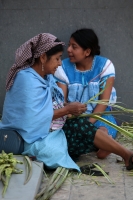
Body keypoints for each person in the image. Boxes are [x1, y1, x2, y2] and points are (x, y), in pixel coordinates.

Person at [0, 32, 133, 172]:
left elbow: (50, 105)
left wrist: (68, 107)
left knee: (81, 127)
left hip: (49, 130)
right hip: (28, 137)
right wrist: (68, 110)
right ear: (43, 57)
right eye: (57, 58)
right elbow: (33, 118)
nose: (59, 63)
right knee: (79, 132)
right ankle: (120, 151)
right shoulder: (26, 80)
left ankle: (125, 154)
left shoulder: (46, 77)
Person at [54, 28, 118, 139]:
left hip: (99, 115)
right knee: (67, 135)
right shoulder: (62, 67)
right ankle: (100, 143)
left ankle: (103, 139)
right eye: (69, 45)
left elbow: (103, 102)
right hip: (73, 115)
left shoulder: (105, 66)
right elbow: (62, 101)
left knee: (103, 130)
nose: (68, 50)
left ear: (87, 52)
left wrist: (87, 124)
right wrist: (71, 115)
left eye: (74, 47)